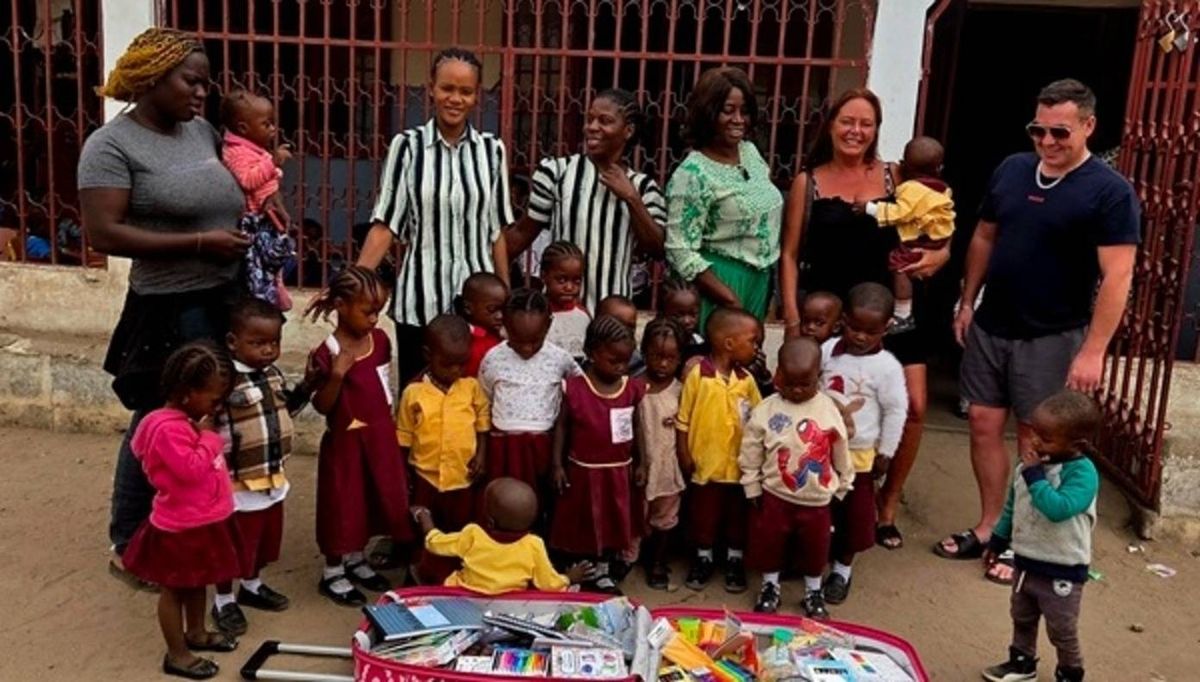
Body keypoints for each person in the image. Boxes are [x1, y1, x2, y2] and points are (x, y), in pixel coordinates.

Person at [938, 79, 1139, 572]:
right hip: (993, 322)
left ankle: (1024, 541)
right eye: (1038, 130)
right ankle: (990, 527)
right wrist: (967, 300)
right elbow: (985, 236)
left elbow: (1118, 276)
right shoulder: (1012, 169)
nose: (1047, 141)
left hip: (1052, 332)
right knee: (983, 424)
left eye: (1060, 132)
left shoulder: (1110, 192)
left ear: (1088, 126)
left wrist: (1093, 350)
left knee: (1038, 437)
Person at [79, 28, 251, 590]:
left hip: (223, 294)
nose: (202, 93)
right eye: (191, 82)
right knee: (159, 420)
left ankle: (195, 525)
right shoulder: (110, 146)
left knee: (211, 413)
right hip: (168, 305)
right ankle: (129, 542)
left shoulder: (200, 131)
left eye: (206, 83)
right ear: (152, 78)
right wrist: (200, 243)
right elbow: (104, 232)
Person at [780, 88, 951, 552]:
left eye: (866, 124)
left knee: (913, 407)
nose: (856, 131)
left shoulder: (897, 175)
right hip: (833, 315)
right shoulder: (809, 182)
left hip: (892, 311)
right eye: (847, 121)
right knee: (830, 407)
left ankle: (886, 503)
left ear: (876, 130)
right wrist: (793, 320)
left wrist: (939, 255)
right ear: (831, 125)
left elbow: (937, 223)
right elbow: (790, 254)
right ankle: (829, 499)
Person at [356, 47, 515, 388]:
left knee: (472, 401)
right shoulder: (407, 147)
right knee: (418, 401)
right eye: (447, 88)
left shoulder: (492, 151)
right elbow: (386, 226)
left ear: (477, 95)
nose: (455, 99)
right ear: (431, 88)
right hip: (420, 304)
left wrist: (507, 297)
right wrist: (353, 283)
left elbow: (496, 231)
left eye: (465, 91)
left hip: (477, 309)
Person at [119, 342, 241, 680]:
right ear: (188, 393)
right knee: (174, 590)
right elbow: (190, 469)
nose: (217, 407)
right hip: (180, 527)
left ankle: (196, 632)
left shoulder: (184, 421)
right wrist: (209, 438)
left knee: (197, 581)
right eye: (214, 400)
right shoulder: (167, 429)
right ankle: (178, 654)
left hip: (201, 520)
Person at [306, 266, 412, 607]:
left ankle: (356, 558)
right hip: (345, 444)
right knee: (342, 503)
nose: (374, 319)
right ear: (341, 305)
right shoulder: (326, 352)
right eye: (368, 312)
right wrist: (336, 376)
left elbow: (383, 386)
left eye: (378, 311)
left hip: (379, 438)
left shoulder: (380, 341)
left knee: (371, 500)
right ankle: (333, 570)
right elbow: (322, 405)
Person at [505, 89, 667, 311]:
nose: (592, 127)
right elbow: (522, 234)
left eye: (604, 121)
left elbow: (657, 249)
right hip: (561, 313)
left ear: (628, 131)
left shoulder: (644, 187)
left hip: (612, 316)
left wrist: (631, 198)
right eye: (590, 119)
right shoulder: (556, 172)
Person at [981, 391, 1101, 682]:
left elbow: (1059, 509)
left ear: (1076, 444)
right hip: (1026, 561)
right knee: (1022, 616)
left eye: (1046, 438)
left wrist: (1036, 477)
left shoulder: (1082, 474)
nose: (1035, 441)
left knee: (1061, 627)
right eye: (1035, 432)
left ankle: (1070, 671)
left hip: (1063, 567)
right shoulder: (1029, 466)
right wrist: (998, 539)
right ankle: (1022, 663)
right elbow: (1013, 506)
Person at [210, 299, 312, 636]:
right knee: (232, 545)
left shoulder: (272, 375)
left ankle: (251, 586)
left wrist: (308, 386)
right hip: (236, 483)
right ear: (232, 342)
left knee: (261, 541)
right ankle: (224, 600)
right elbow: (207, 425)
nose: (268, 350)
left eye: (274, 342)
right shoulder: (223, 381)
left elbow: (286, 409)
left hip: (271, 476)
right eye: (258, 343)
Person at [665, 67, 784, 328]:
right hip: (719, 285)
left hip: (759, 280)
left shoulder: (750, 152)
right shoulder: (693, 173)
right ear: (708, 113)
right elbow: (679, 249)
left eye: (745, 111)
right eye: (728, 111)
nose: (738, 120)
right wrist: (730, 299)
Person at [740, 338, 851, 617]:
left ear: (818, 377)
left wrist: (844, 484)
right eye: (790, 384)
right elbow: (751, 450)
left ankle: (813, 591)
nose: (798, 390)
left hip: (817, 500)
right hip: (775, 495)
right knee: (770, 544)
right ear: (778, 374)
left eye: (806, 384)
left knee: (816, 548)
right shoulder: (767, 409)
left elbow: (840, 448)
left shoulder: (828, 409)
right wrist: (751, 486)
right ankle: (770, 586)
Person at [818, 283, 907, 606]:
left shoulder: (888, 367)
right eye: (854, 328)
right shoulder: (828, 350)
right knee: (819, 509)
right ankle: (814, 560)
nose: (860, 337)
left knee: (854, 515)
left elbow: (896, 410)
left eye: (870, 332)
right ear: (843, 320)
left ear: (886, 327)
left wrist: (886, 452)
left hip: (860, 455)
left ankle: (842, 570)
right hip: (821, 449)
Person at [550, 316, 647, 593]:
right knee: (582, 522)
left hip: (618, 471)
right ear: (591, 353)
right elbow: (562, 426)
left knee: (612, 522)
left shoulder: (631, 388)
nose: (621, 367)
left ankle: (604, 572)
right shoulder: (575, 388)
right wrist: (557, 464)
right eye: (613, 361)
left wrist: (642, 462)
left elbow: (637, 426)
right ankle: (581, 571)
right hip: (583, 471)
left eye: (625, 361)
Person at [397, 314, 491, 585]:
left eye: (462, 363)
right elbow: (404, 437)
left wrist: (481, 455)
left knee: (460, 528)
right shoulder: (414, 393)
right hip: (425, 476)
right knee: (424, 527)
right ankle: (420, 574)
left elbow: (482, 422)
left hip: (463, 477)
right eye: (447, 364)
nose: (455, 371)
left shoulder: (471, 388)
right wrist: (404, 476)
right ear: (428, 355)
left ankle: (456, 576)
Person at [676, 307, 763, 593]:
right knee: (704, 516)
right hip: (706, 466)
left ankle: (735, 560)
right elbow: (683, 420)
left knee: (737, 517)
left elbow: (759, 420)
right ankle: (704, 558)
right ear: (729, 343)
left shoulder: (746, 380)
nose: (756, 348)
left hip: (739, 468)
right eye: (752, 341)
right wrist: (684, 454)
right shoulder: (698, 376)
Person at [478, 288, 584, 519]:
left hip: (544, 447)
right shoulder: (493, 359)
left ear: (548, 325)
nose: (527, 348)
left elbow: (579, 393)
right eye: (518, 340)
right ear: (505, 325)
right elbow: (483, 402)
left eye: (534, 341)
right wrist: (482, 452)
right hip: (504, 447)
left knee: (542, 502)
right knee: (505, 502)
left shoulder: (560, 359)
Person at [411, 478, 591, 595]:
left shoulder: (473, 534)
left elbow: (434, 544)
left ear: (489, 521)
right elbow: (548, 584)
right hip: (510, 601)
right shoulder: (533, 544)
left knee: (432, 560)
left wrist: (425, 518)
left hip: (464, 594)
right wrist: (569, 578)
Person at [855, 136, 955, 333]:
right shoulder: (942, 188)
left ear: (904, 165)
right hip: (937, 237)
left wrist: (869, 208)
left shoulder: (912, 188)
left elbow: (901, 213)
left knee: (900, 266)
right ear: (939, 168)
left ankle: (903, 314)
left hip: (922, 240)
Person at [218, 89, 295, 310]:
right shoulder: (237, 152)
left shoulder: (253, 149)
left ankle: (276, 288)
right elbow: (248, 180)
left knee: (278, 254)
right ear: (243, 128)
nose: (273, 129)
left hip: (266, 216)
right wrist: (274, 162)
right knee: (259, 263)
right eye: (266, 124)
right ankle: (263, 299)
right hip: (253, 221)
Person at [634, 317, 688, 589]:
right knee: (635, 514)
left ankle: (657, 561)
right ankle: (628, 558)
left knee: (665, 515)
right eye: (656, 356)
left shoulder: (681, 391)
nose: (663, 364)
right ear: (644, 352)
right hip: (639, 465)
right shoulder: (633, 387)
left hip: (668, 466)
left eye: (671, 358)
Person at [541, 240, 591, 361]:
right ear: (544, 276)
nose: (569, 287)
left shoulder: (584, 316)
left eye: (576, 281)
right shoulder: (536, 313)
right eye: (561, 280)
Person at [455, 272, 508, 377]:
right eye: (492, 309)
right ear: (468, 308)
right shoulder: (465, 341)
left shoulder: (504, 332)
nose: (500, 316)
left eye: (504, 309)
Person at [597, 293, 644, 377]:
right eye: (616, 325)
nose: (624, 331)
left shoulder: (638, 364)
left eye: (630, 327)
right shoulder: (588, 358)